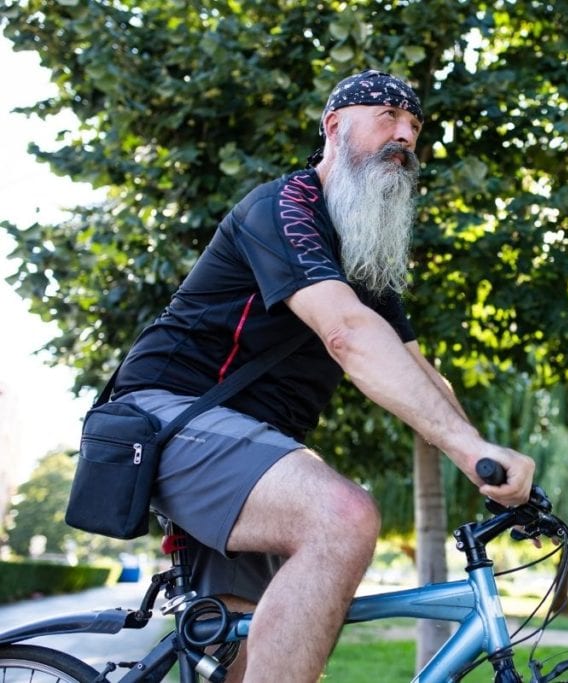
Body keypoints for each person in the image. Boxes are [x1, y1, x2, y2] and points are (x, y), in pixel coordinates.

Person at [108, 70, 536, 682]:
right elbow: (347, 334)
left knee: (249, 652)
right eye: (388, 115)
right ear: (334, 127)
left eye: (415, 125)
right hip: (169, 416)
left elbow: (415, 368)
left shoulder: (365, 250)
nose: (407, 135)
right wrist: (470, 450)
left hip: (250, 450)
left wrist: (487, 464)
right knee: (342, 516)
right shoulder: (283, 207)